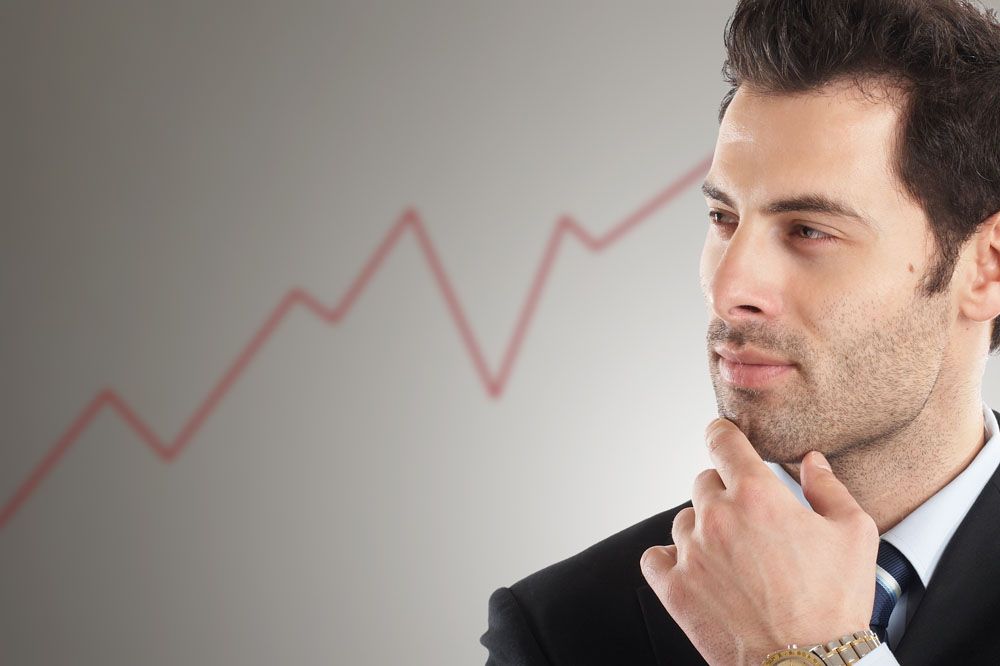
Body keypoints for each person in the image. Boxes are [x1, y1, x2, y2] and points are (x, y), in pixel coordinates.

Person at [479, 0, 1000, 664]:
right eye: (723, 218)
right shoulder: (563, 630)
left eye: (809, 230)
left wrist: (808, 653)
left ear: (986, 267)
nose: (728, 289)